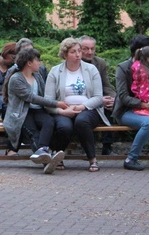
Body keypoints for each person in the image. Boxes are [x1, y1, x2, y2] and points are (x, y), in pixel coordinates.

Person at [44, 37, 110, 173]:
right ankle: (57, 156)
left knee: (82, 122)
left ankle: (92, 159)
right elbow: (48, 100)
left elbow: (98, 97)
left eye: (79, 51)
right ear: (65, 54)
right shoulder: (55, 72)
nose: (78, 54)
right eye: (73, 52)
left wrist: (81, 107)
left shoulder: (91, 70)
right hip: (64, 109)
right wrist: (62, 111)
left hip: (88, 108)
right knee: (64, 126)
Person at [2, 48, 67, 173]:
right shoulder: (16, 78)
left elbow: (43, 95)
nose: (40, 63)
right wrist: (57, 104)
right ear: (29, 63)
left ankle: (42, 152)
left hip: (37, 110)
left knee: (49, 122)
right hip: (21, 113)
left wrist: (56, 106)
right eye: (37, 60)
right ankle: (46, 161)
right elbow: (31, 97)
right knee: (33, 133)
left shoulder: (37, 76)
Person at [114, 36, 149, 170]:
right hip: (126, 111)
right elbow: (123, 96)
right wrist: (145, 105)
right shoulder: (123, 68)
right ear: (139, 51)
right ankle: (131, 159)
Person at [80, 35, 117, 155]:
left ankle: (107, 146)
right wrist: (98, 100)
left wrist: (114, 99)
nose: (89, 52)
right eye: (85, 48)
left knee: (111, 106)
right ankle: (87, 147)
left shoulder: (100, 63)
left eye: (92, 49)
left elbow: (106, 85)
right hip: (81, 101)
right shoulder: (74, 63)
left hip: (99, 98)